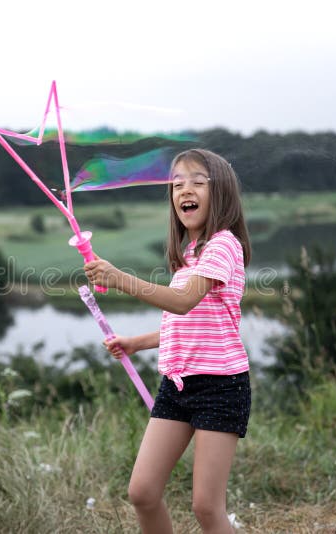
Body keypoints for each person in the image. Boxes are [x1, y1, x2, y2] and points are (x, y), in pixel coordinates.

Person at [84, 148, 252, 534]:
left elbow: (181, 303)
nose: (184, 190)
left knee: (207, 507)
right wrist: (136, 343)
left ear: (221, 193)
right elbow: (191, 324)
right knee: (143, 491)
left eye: (197, 182)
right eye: (177, 184)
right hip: (178, 386)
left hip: (220, 387)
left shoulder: (223, 245)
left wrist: (119, 277)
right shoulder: (190, 255)